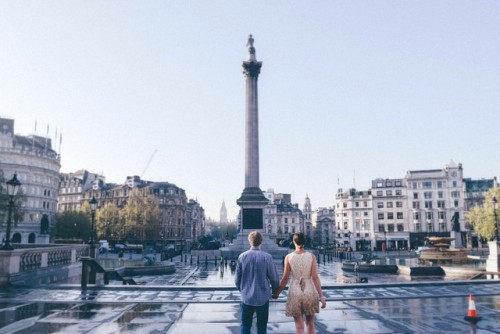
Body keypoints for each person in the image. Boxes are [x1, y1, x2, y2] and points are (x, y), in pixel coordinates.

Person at [272, 232, 326, 334]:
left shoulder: (288, 257)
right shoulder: (312, 256)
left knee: (299, 325)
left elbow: (285, 278)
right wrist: (321, 296)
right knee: (310, 323)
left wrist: (277, 293)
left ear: (293, 242)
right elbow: (315, 277)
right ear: (304, 242)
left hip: (294, 292)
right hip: (309, 291)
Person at [235, 231, 280, 334]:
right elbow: (274, 278)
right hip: (263, 297)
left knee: (245, 325)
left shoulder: (242, 257)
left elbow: (237, 279)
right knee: (262, 326)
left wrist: (243, 290)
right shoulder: (267, 257)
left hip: (247, 298)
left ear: (249, 241)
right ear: (261, 241)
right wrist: (274, 291)